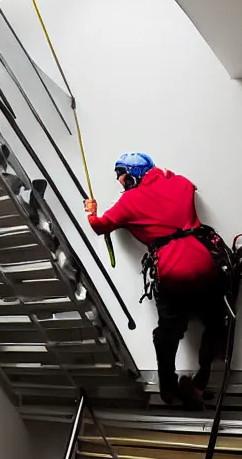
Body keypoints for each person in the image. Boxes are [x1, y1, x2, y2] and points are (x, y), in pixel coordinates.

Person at [84, 153, 232, 409]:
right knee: (216, 323)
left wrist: (91, 212)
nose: (120, 183)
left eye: (121, 177)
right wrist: (166, 176)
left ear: (132, 176)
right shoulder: (181, 183)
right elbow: (189, 186)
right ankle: (201, 381)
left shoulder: (129, 201)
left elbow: (100, 226)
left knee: (167, 333)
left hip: (172, 270)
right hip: (205, 263)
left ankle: (168, 388)